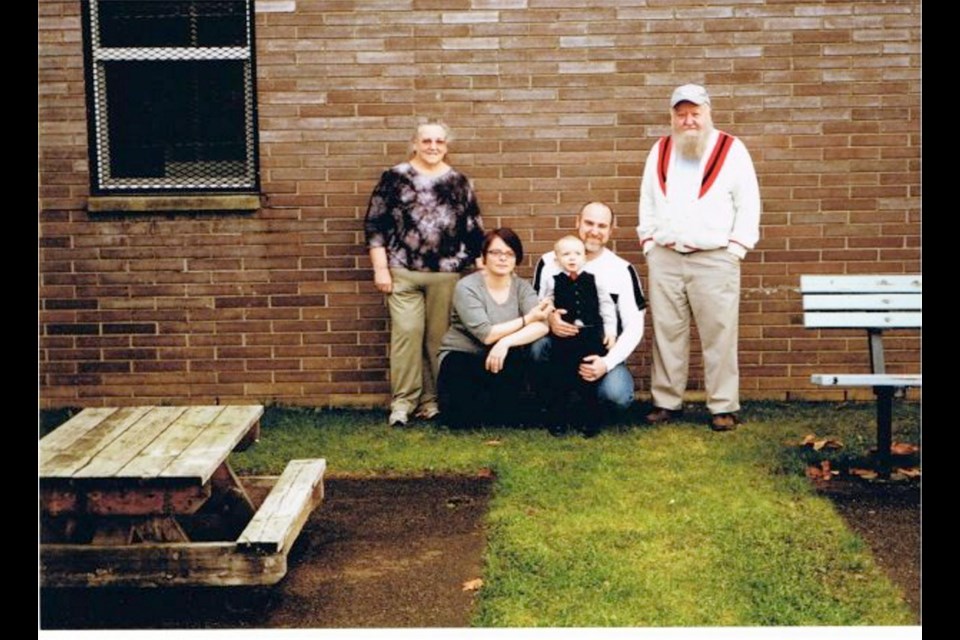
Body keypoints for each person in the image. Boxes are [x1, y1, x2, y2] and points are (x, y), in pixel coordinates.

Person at [637, 84, 761, 431]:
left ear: (708, 112)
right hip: (665, 256)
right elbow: (647, 199)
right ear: (673, 116)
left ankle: (722, 405)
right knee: (666, 332)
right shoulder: (660, 149)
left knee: (719, 334)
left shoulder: (731, 149)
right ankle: (667, 402)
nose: (688, 120)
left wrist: (736, 249)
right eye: (681, 113)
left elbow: (748, 203)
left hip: (715, 257)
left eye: (695, 113)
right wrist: (648, 243)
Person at [364, 120, 484, 427]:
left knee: (438, 340)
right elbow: (375, 226)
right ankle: (403, 403)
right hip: (402, 272)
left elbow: (473, 231)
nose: (433, 147)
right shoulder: (394, 178)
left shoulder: (459, 182)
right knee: (406, 335)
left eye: (439, 142)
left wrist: (483, 270)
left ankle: (432, 402)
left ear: (446, 146)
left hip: (445, 276)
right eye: (426, 141)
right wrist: (381, 269)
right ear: (415, 143)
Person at [532, 202, 647, 425]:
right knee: (537, 347)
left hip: (598, 352)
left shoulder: (621, 269)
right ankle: (551, 402)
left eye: (602, 226)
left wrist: (607, 362)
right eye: (589, 223)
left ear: (611, 230)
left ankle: (589, 402)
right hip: (560, 346)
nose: (594, 230)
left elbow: (635, 326)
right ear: (577, 222)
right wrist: (550, 318)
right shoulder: (549, 262)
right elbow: (534, 304)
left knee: (616, 397)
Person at [437, 228, 552, 428]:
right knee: (461, 421)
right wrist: (527, 319)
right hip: (462, 356)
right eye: (495, 253)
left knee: (504, 417)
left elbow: (542, 326)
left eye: (509, 254)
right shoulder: (467, 287)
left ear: (516, 259)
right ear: (484, 257)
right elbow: (486, 334)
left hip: (501, 357)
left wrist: (506, 342)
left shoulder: (522, 288)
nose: (502, 259)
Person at [537, 235, 619, 432]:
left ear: (585, 257)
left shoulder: (595, 279)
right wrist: (551, 314)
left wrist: (611, 331)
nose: (572, 258)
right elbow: (544, 302)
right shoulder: (552, 279)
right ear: (557, 259)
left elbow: (607, 306)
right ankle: (558, 420)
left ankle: (590, 420)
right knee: (561, 377)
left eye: (577, 254)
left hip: (590, 337)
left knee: (588, 378)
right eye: (566, 254)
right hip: (564, 338)